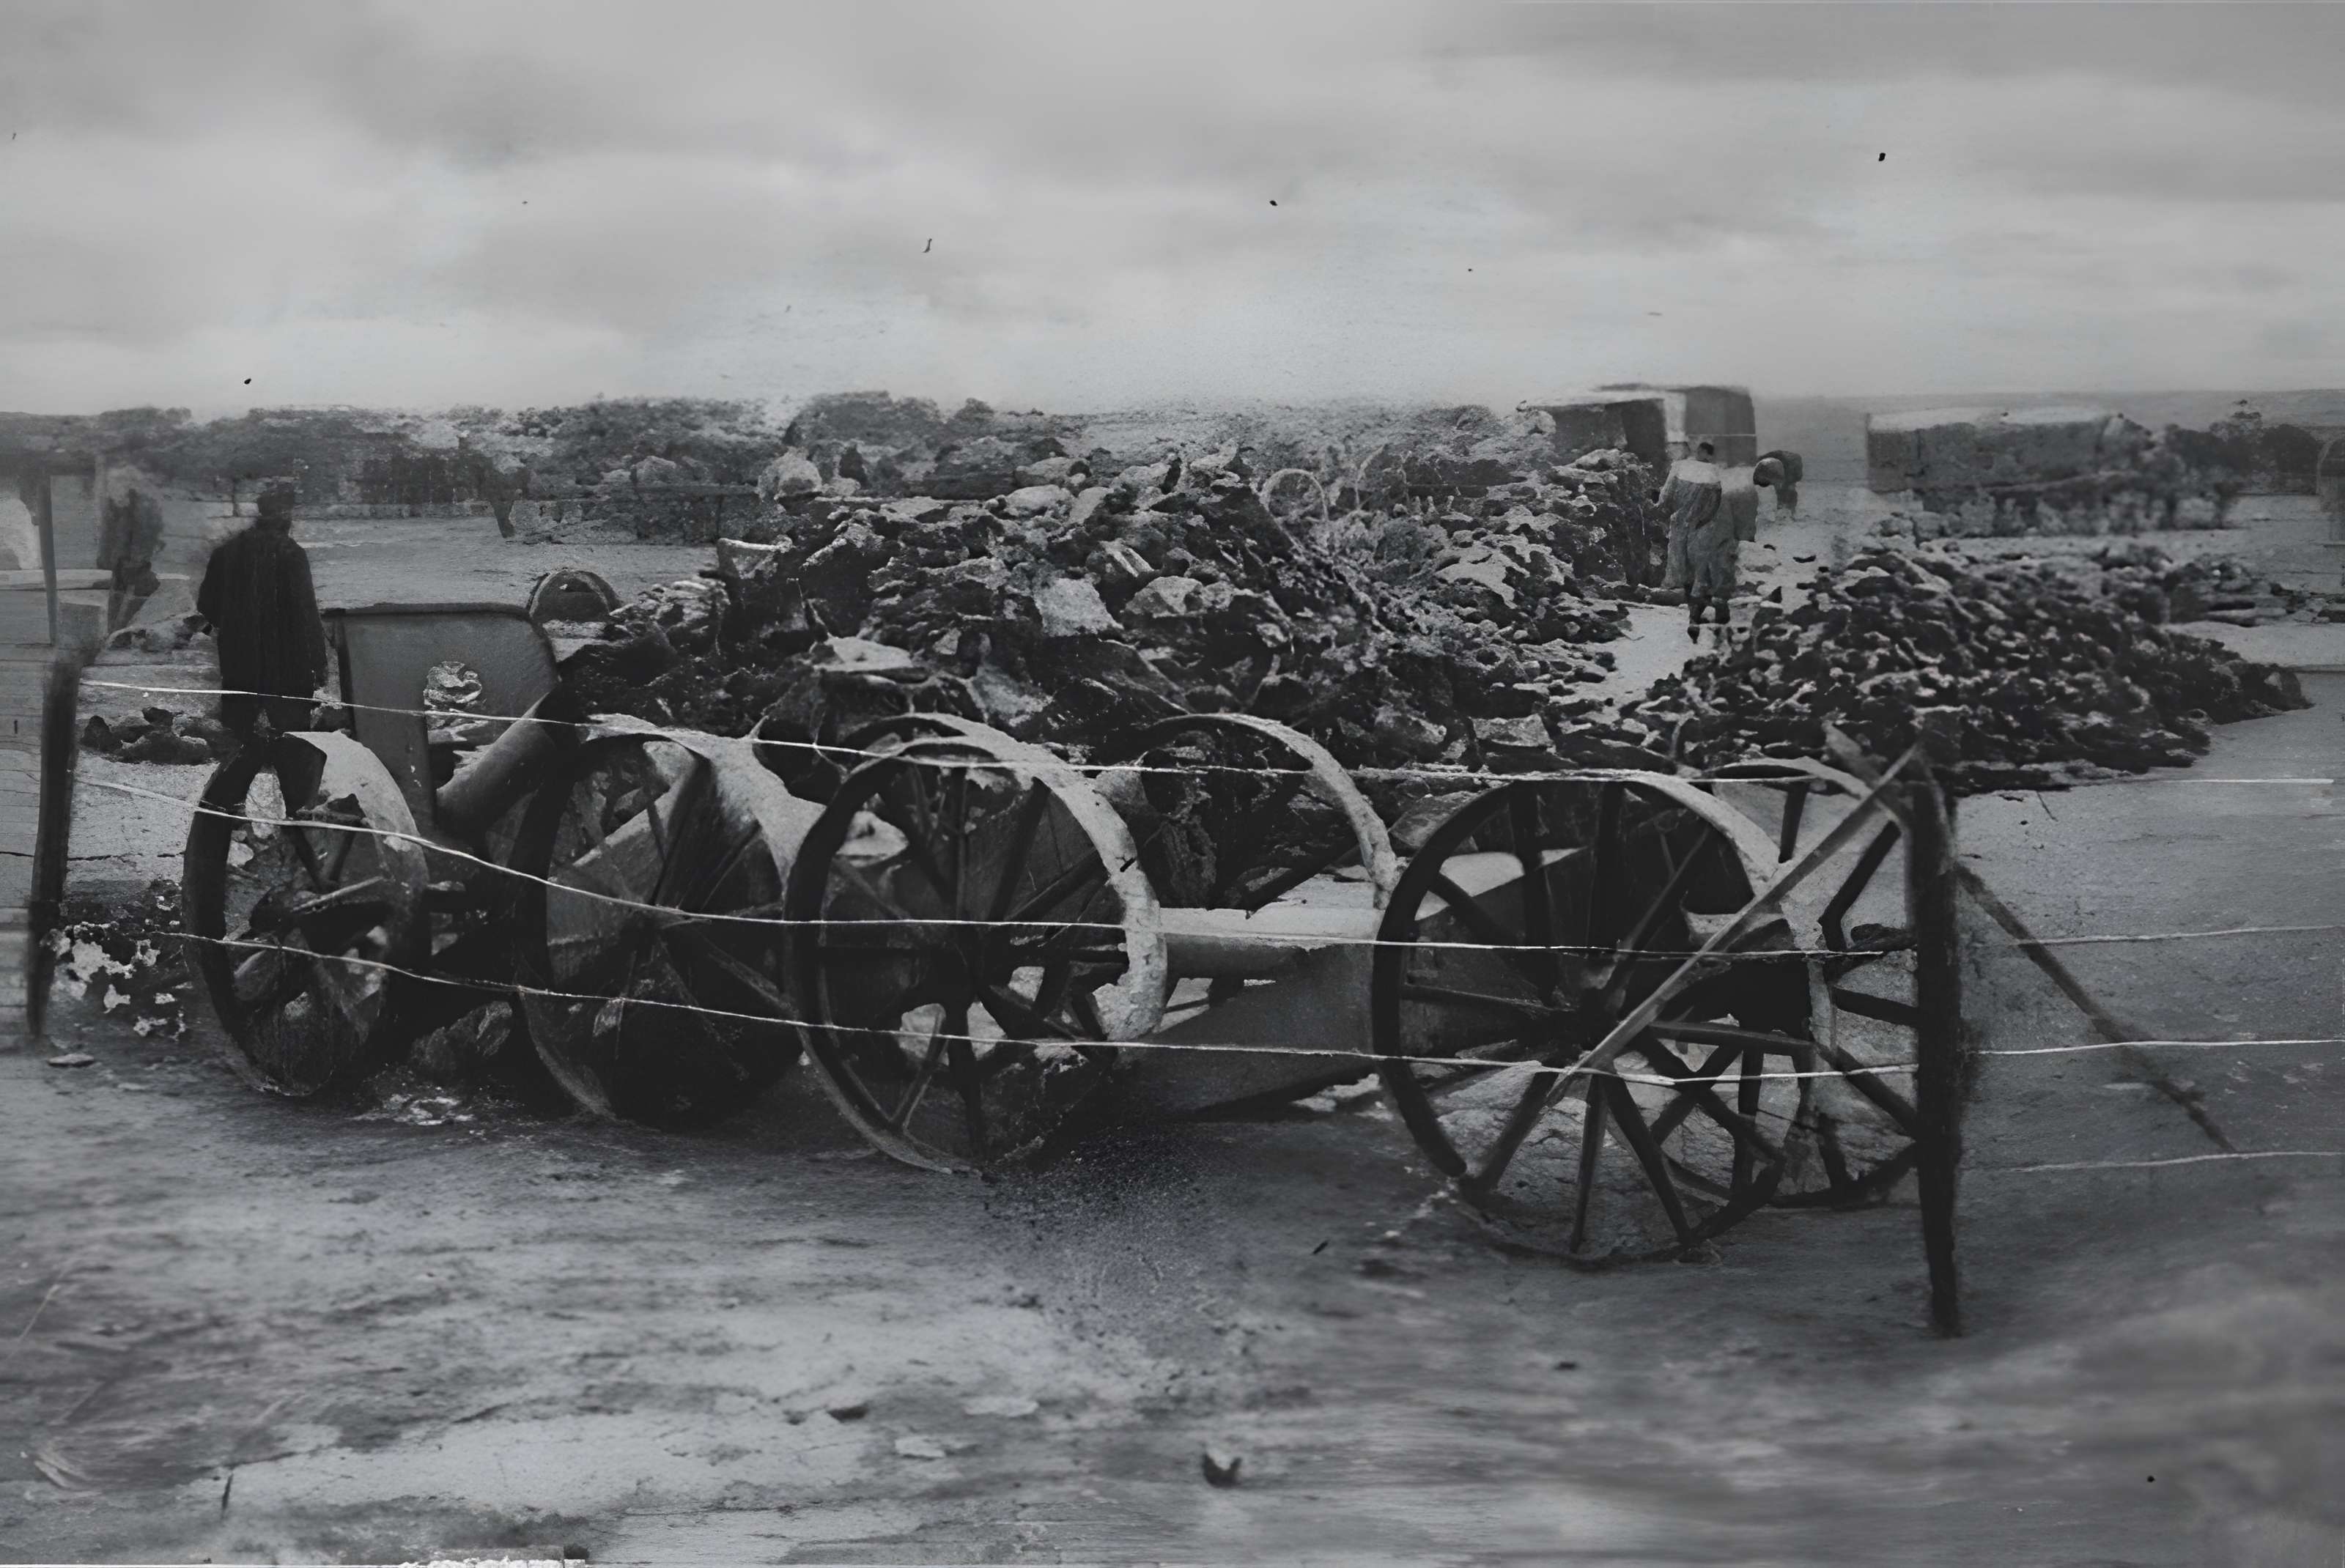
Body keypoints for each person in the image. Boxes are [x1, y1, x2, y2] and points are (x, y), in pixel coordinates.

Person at [196, 482, 330, 785]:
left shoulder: (226, 553)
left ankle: (227, 806)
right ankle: (296, 806)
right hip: (288, 662)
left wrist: (233, 625)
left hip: (239, 659)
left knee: (236, 737)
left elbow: (206, 606)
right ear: (287, 515)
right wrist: (318, 663)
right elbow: (306, 613)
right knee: (294, 736)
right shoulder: (292, 554)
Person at [1659, 440, 1724, 639]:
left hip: (1680, 524)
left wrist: (1670, 511)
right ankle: (1696, 613)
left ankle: (1691, 613)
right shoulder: (1714, 473)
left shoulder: (1679, 468)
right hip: (1702, 526)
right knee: (1700, 569)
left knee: (1682, 569)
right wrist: (1703, 519)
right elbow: (1716, 503)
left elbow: (1666, 498)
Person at [98, 463, 169, 632]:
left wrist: (136, 561)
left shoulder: (144, 505)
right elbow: (113, 535)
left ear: (127, 483)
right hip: (120, 563)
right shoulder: (118, 504)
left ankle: (123, 631)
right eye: (110, 483)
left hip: (135, 564)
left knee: (137, 597)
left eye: (114, 483)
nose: (110, 488)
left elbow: (146, 534)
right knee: (117, 599)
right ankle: (115, 632)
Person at [1753, 448, 1803, 519]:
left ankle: (1788, 511)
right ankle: (1787, 511)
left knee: (1787, 487)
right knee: (1786, 487)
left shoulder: (1789, 470)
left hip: (1787, 464)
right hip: (1785, 463)